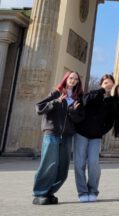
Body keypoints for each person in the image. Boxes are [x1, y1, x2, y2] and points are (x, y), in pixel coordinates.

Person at [32, 71, 85, 205]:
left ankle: (50, 192)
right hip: (52, 133)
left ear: (78, 82)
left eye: (75, 79)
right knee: (49, 164)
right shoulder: (56, 93)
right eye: (71, 78)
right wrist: (56, 101)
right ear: (66, 79)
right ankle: (39, 193)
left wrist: (73, 112)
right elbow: (39, 108)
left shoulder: (77, 98)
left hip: (67, 136)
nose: (73, 80)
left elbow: (79, 119)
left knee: (63, 168)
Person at [73, 74, 115, 202]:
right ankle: (82, 192)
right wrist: (101, 90)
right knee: (79, 164)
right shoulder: (92, 94)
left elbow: (110, 121)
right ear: (101, 83)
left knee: (93, 164)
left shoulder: (111, 101)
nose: (108, 85)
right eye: (106, 82)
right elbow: (85, 101)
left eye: (110, 83)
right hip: (81, 133)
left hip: (96, 136)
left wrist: (101, 131)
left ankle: (93, 190)